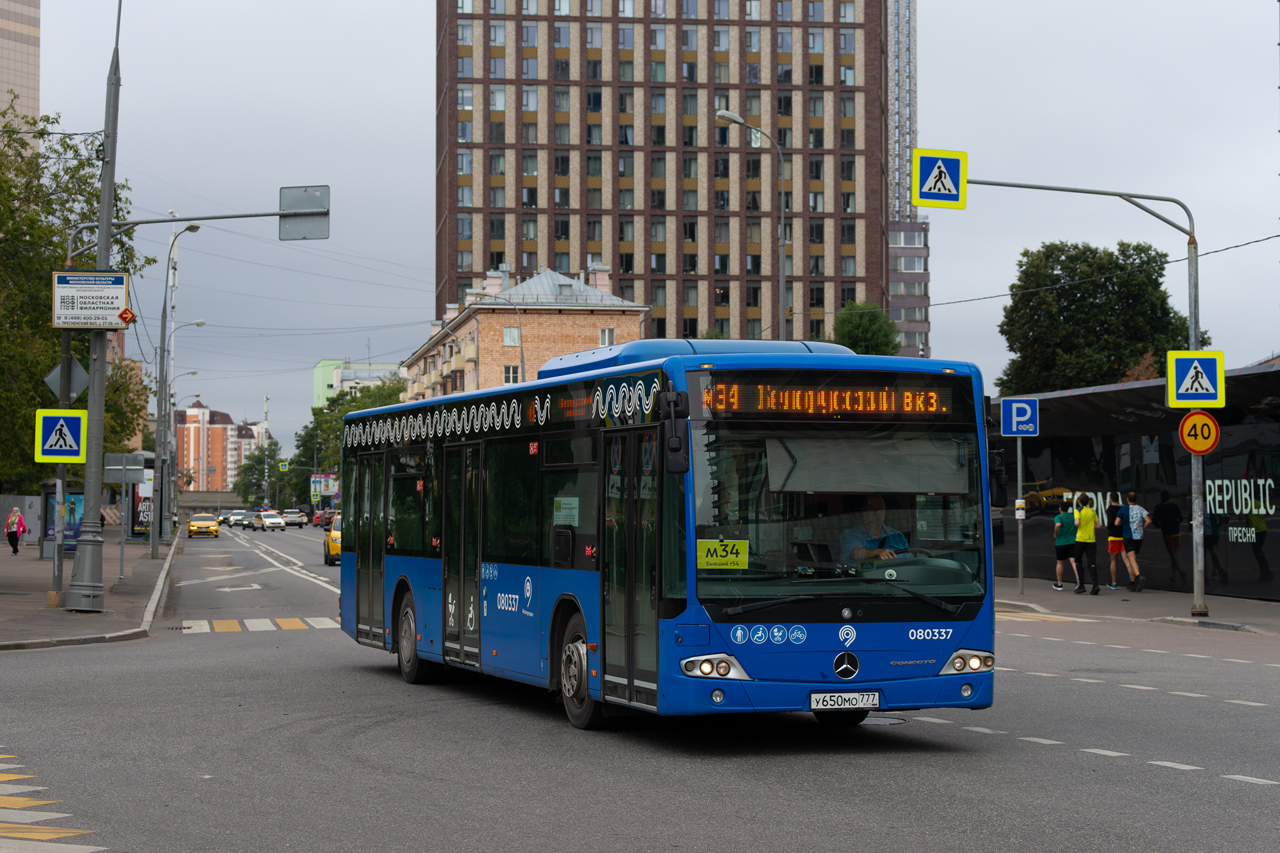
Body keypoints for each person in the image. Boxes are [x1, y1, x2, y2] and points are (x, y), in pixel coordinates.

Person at [840, 494, 910, 562]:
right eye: (871, 508)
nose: (877, 512)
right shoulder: (849, 535)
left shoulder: (898, 536)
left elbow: (909, 563)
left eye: (880, 508)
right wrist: (877, 553)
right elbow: (856, 553)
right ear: (863, 511)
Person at [1151, 490, 1185, 585]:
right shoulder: (1174, 506)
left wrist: (1162, 526)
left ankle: (1181, 572)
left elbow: (1155, 522)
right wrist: (1175, 524)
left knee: (1172, 554)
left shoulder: (1159, 508)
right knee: (1173, 554)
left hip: (1167, 533)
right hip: (1175, 532)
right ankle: (1174, 576)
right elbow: (1181, 518)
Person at [1121, 491, 1152, 591]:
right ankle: (1133, 582)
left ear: (1127, 499)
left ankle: (1138, 577)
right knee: (1133, 560)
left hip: (1129, 537)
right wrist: (1143, 528)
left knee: (1132, 560)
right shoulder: (1140, 508)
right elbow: (1148, 520)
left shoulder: (1125, 509)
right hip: (1139, 537)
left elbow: (1117, 522)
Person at [1072, 494, 1101, 594]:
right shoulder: (1092, 511)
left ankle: (1081, 585)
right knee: (1092, 562)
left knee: (1078, 561)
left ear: (1079, 501)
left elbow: (1077, 523)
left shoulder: (1077, 510)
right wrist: (1089, 523)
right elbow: (1098, 526)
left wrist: (1081, 523)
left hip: (1080, 539)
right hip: (1091, 540)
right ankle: (1095, 585)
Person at [1052, 501, 1078, 591]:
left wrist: (1055, 533)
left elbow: (1058, 524)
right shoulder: (1073, 516)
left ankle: (1059, 584)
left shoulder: (1058, 517)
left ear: (1060, 508)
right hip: (1072, 541)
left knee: (1060, 562)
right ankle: (1078, 580)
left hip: (1061, 542)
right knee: (1073, 561)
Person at [1104, 494, 1125, 589]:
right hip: (1123, 536)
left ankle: (1114, 583)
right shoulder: (1123, 509)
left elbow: (1110, 523)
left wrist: (1108, 527)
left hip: (1113, 537)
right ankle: (1132, 579)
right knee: (1127, 560)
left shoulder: (1110, 509)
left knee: (1113, 560)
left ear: (1110, 499)